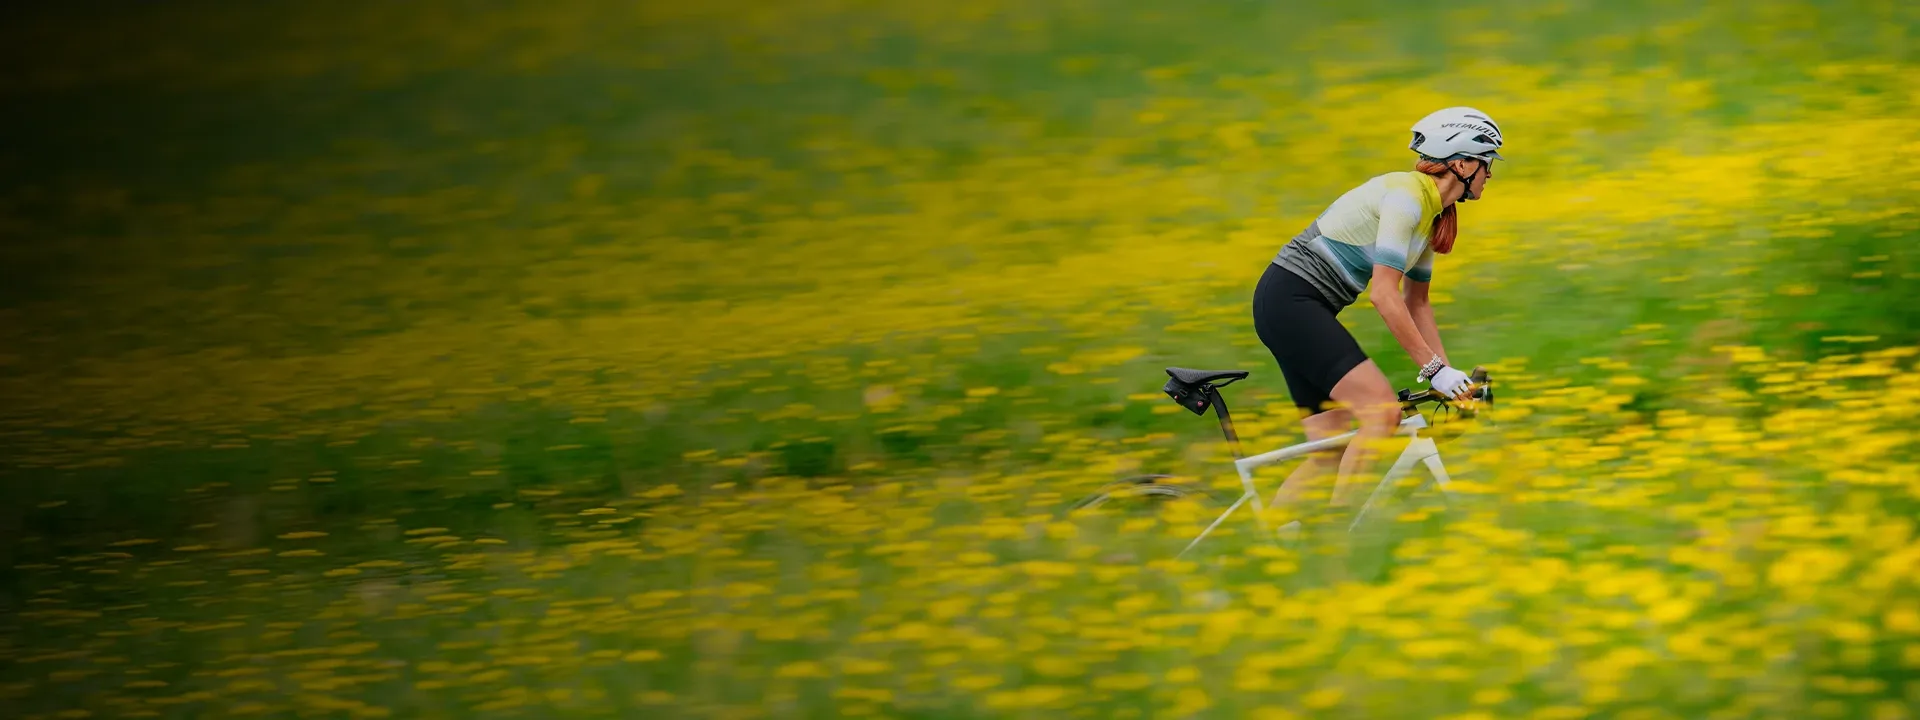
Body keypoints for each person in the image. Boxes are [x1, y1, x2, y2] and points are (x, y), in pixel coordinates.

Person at [1251, 106, 1501, 531]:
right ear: (1461, 164)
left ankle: (1262, 540)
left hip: (1293, 306)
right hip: (1291, 302)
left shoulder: (1429, 215)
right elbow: (1383, 296)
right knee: (1382, 413)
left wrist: (1452, 380)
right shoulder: (1405, 199)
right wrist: (1433, 370)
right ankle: (1338, 535)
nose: (1489, 175)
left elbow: (1417, 303)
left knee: (1329, 451)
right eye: (1486, 163)